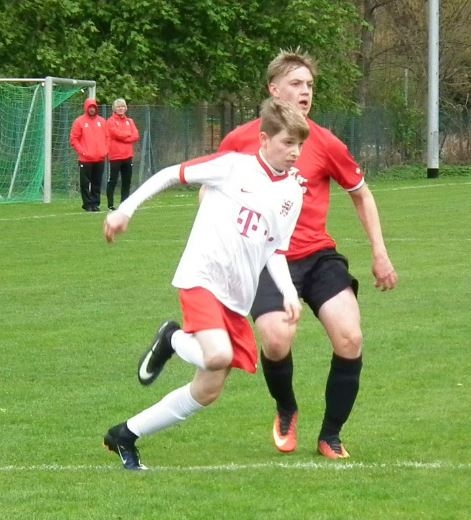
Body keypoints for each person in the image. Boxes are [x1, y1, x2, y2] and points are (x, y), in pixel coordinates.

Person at [102, 97, 308, 470]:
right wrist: (125, 209)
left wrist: (289, 292)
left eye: (299, 144)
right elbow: (170, 174)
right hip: (203, 276)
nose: (295, 152)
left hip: (236, 296)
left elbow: (275, 249)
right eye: (287, 143)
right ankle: (172, 338)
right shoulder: (233, 167)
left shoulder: (293, 193)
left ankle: (125, 434)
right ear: (264, 139)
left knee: (208, 389)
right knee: (218, 356)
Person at [214, 49, 398, 459]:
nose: (305, 92)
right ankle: (286, 409)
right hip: (265, 259)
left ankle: (330, 435)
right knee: (277, 338)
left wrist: (380, 253)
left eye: (310, 85)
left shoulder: (325, 142)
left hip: (316, 257)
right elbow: (212, 195)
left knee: (350, 336)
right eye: (296, 84)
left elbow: (362, 195)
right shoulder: (240, 142)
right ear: (273, 90)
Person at [70, 98, 108, 212]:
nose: (92, 109)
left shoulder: (102, 121)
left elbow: (108, 137)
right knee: (85, 183)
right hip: (85, 159)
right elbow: (74, 139)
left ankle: (95, 204)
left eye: (93, 107)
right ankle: (87, 204)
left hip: (100, 158)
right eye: (90, 107)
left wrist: (105, 151)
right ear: (86, 108)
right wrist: (83, 151)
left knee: (97, 182)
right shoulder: (79, 121)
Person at [106, 98, 140, 211]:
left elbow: (136, 135)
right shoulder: (110, 121)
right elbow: (117, 134)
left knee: (127, 181)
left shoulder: (130, 121)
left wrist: (126, 136)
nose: (121, 108)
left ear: (125, 108)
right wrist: (128, 135)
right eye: (118, 107)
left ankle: (124, 203)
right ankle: (110, 205)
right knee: (113, 180)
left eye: (122, 106)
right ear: (114, 109)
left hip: (128, 155)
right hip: (115, 156)